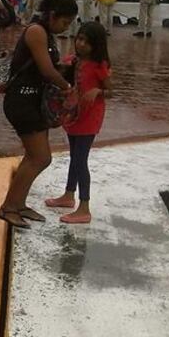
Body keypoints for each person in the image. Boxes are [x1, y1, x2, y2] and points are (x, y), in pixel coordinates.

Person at [0, 0, 78, 229]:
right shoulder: (36, 32)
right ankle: (9, 207)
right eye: (64, 22)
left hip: (33, 100)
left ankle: (17, 203)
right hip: (22, 101)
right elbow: (46, 70)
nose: (65, 27)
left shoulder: (46, 33)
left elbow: (48, 66)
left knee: (35, 157)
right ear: (53, 15)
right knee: (41, 157)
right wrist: (67, 87)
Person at [45, 22, 112, 224]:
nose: (80, 44)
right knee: (74, 156)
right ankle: (68, 194)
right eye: (79, 39)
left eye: (86, 41)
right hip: (75, 115)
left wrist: (98, 91)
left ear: (96, 45)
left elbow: (112, 91)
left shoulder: (100, 66)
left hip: (90, 118)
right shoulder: (75, 61)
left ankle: (84, 207)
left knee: (80, 160)